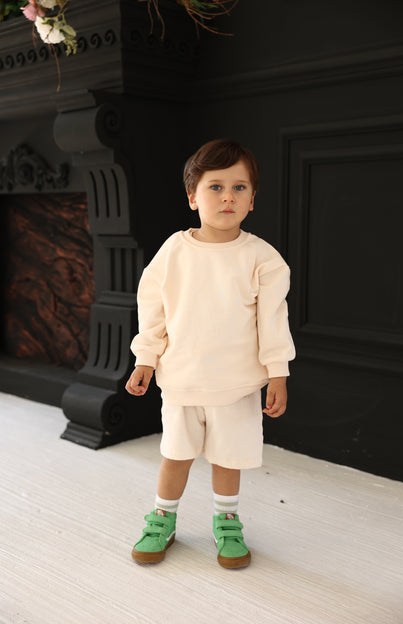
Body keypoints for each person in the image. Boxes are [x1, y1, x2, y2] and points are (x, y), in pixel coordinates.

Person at [125, 138, 295, 569]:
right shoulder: (174, 251)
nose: (227, 197)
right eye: (215, 187)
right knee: (175, 454)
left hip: (237, 384)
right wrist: (146, 358)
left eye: (239, 188)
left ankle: (227, 520)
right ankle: (163, 517)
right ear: (192, 197)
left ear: (252, 200)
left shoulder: (262, 258)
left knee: (228, 457)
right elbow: (153, 309)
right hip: (182, 379)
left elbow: (273, 321)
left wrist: (278, 373)